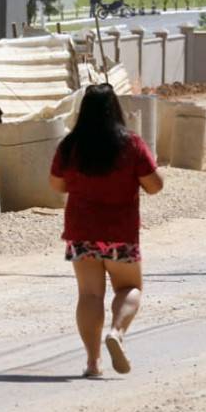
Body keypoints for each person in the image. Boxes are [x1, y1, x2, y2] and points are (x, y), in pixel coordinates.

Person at [49, 84, 164, 378]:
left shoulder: (70, 146)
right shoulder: (131, 144)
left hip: (81, 231)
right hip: (119, 232)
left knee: (89, 295)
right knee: (129, 289)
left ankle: (92, 362)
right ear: (116, 108)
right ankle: (116, 332)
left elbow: (56, 185)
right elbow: (154, 186)